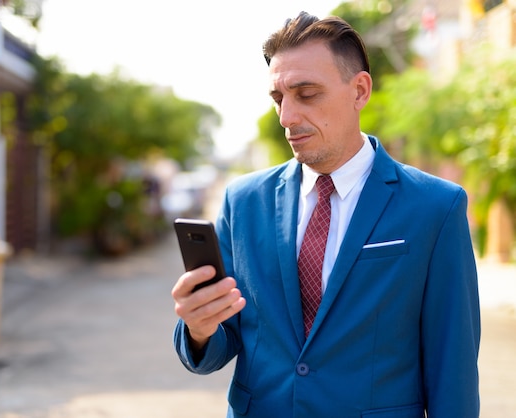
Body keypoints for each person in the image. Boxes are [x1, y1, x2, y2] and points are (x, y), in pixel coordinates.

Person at [171, 12, 480, 418]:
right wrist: (199, 328)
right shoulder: (242, 202)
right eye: (279, 98)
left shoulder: (435, 207)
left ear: (359, 90)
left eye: (307, 93)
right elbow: (221, 344)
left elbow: (452, 372)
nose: (286, 118)